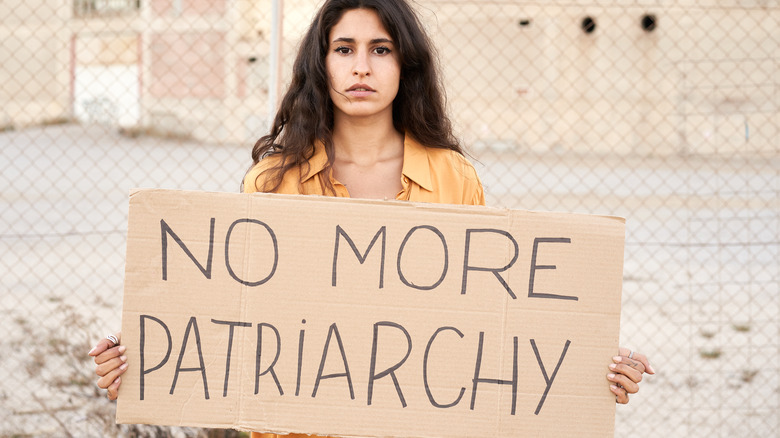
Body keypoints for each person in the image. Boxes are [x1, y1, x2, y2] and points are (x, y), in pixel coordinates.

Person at [90, 0, 655, 437]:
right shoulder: (271, 182)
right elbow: (228, 315)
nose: (361, 67)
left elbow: (492, 325)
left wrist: (589, 365)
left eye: (381, 49)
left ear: (406, 63)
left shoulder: (455, 178)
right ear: (321, 62)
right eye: (344, 49)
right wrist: (140, 351)